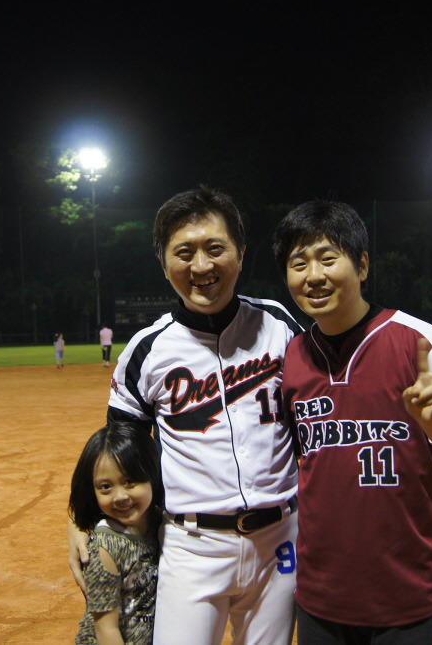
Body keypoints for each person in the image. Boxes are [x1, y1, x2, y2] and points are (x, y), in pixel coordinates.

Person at [69, 185, 304, 645]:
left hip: (279, 542)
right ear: (163, 262)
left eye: (215, 249)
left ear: (240, 253)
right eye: (184, 252)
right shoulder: (147, 351)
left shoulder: (280, 325)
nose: (201, 266)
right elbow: (118, 453)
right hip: (191, 546)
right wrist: (80, 520)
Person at [271, 200, 432, 644]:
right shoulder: (292, 356)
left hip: (407, 596)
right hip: (320, 597)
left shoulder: (418, 342)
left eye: (328, 258)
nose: (314, 275)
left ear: (363, 265)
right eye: (299, 263)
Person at [68, 421, 164, 645]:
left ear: (151, 475)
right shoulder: (105, 548)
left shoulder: (161, 521)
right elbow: (106, 630)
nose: (120, 496)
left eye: (130, 481)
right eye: (105, 487)